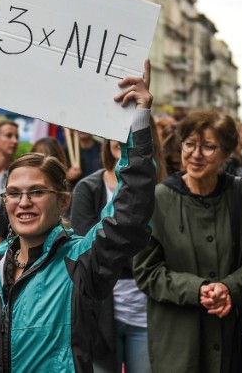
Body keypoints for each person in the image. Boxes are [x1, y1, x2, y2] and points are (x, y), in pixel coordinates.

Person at [0, 60, 156, 372]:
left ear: (64, 202)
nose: (23, 202)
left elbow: (129, 212)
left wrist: (138, 121)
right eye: (14, 193)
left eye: (37, 192)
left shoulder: (81, 261)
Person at [134, 109, 242, 373]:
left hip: (233, 339)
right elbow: (147, 272)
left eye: (208, 147)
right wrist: (198, 289)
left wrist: (229, 287)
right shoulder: (158, 199)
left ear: (227, 152)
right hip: (178, 343)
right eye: (190, 144)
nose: (196, 154)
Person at [70, 120, 166, 373]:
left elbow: (160, 249)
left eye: (129, 133)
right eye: (116, 132)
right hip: (100, 309)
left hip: (146, 307)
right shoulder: (87, 189)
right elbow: (85, 251)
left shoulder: (162, 190)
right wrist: (132, 249)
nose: (121, 139)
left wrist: (117, 250)